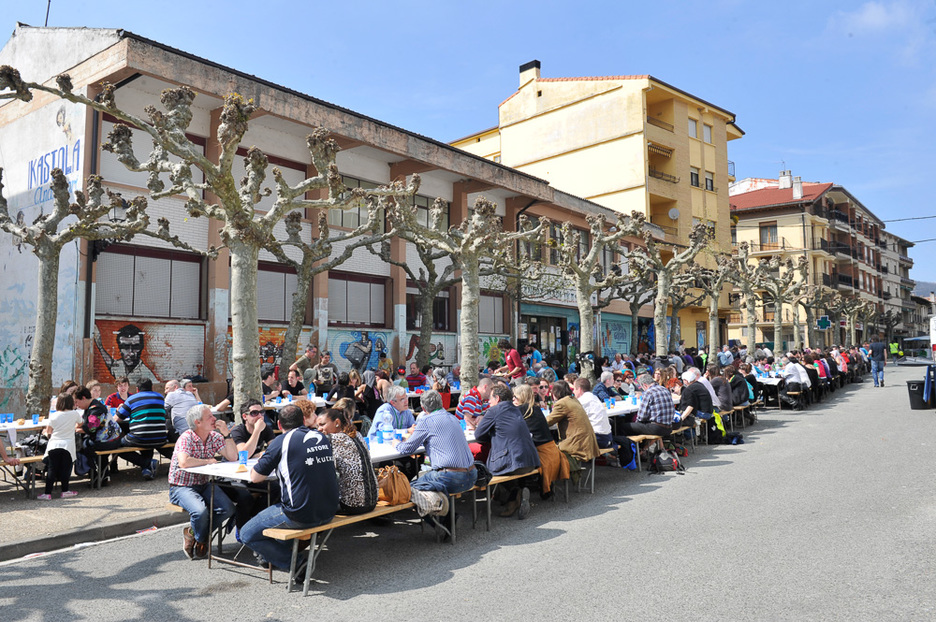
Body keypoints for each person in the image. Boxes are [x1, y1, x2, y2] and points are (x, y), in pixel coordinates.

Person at [242, 404, 339, 571]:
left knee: (246, 534)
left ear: (280, 425)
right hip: (330, 510)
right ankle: (268, 556)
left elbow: (255, 477)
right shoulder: (321, 436)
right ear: (302, 420)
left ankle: (295, 563)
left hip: (300, 514)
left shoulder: (281, 442)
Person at [168, 404, 239, 559]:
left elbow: (233, 457)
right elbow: (184, 462)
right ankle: (202, 539)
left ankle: (195, 534)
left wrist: (227, 434)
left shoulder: (215, 436)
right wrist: (208, 461)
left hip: (204, 484)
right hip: (181, 486)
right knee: (200, 512)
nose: (215, 419)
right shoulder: (186, 437)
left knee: (228, 509)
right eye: (210, 417)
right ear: (197, 422)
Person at [474, 384, 540, 518]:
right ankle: (515, 497)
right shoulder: (516, 409)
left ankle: (514, 496)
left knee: (487, 471)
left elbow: (478, 435)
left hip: (514, 464)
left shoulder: (494, 410)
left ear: (497, 398)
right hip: (530, 461)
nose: (488, 403)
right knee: (501, 466)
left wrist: (491, 432)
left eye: (490, 400)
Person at [394, 390, 477, 495]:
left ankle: (440, 506)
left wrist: (396, 443)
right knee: (426, 480)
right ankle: (443, 506)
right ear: (441, 403)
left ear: (423, 408)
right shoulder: (453, 418)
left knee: (408, 489)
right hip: (472, 475)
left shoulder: (426, 421)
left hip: (451, 478)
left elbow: (407, 449)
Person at [314, 408, 378, 515]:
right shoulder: (357, 434)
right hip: (373, 501)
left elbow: (324, 471)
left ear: (337, 423)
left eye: (322, 424)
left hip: (352, 505)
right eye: (317, 426)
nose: (319, 429)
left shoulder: (331, 439)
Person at [513, 384, 569, 497]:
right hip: (553, 452)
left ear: (521, 397)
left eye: (515, 397)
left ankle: (517, 492)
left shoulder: (518, 411)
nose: (513, 399)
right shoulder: (536, 409)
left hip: (540, 455)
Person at [115, 378, 169, 480]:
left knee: (117, 447)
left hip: (139, 437)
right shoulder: (160, 397)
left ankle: (147, 463)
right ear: (152, 388)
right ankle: (147, 469)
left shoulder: (131, 399)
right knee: (147, 436)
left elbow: (117, 419)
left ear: (137, 389)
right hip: (160, 437)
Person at [37, 392, 83, 500]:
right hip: (68, 445)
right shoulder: (75, 414)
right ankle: (65, 490)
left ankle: (47, 493)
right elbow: (80, 423)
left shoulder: (54, 416)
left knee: (52, 470)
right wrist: (73, 426)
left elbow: (48, 432)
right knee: (65, 470)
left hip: (54, 444)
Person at [545, 380, 599, 462]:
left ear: (555, 393)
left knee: (546, 452)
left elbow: (547, 422)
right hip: (587, 443)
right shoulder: (573, 399)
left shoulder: (562, 403)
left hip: (576, 444)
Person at [572, 377, 612, 449]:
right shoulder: (594, 397)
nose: (573, 392)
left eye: (575, 389)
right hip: (608, 437)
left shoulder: (582, 401)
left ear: (580, 389)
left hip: (597, 438)